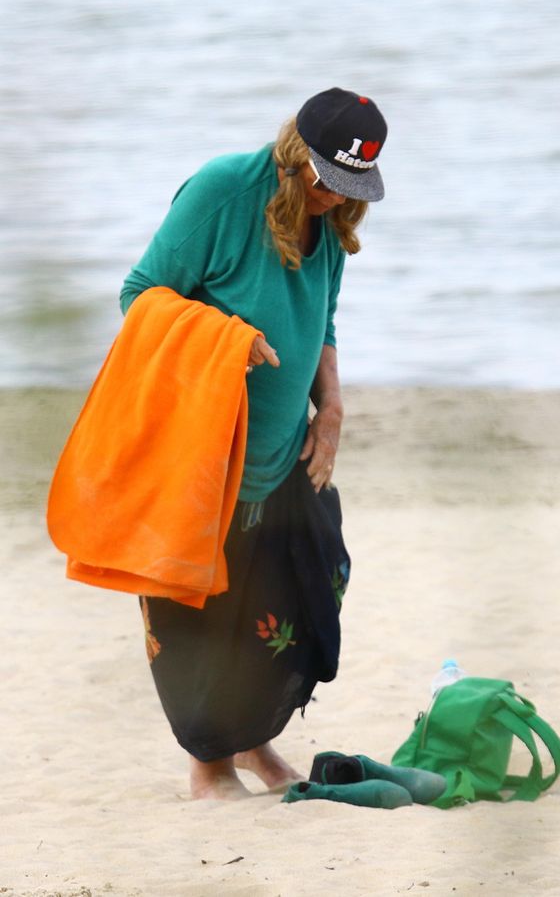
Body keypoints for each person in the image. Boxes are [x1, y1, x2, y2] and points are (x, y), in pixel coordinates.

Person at [119, 87, 388, 800]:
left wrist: (330, 409)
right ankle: (210, 766)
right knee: (203, 613)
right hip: (203, 452)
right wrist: (222, 340)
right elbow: (140, 296)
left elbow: (322, 320)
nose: (337, 197)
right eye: (329, 179)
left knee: (295, 593)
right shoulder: (220, 193)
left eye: (353, 185)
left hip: (284, 453)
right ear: (297, 154)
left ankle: (253, 742)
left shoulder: (334, 221)